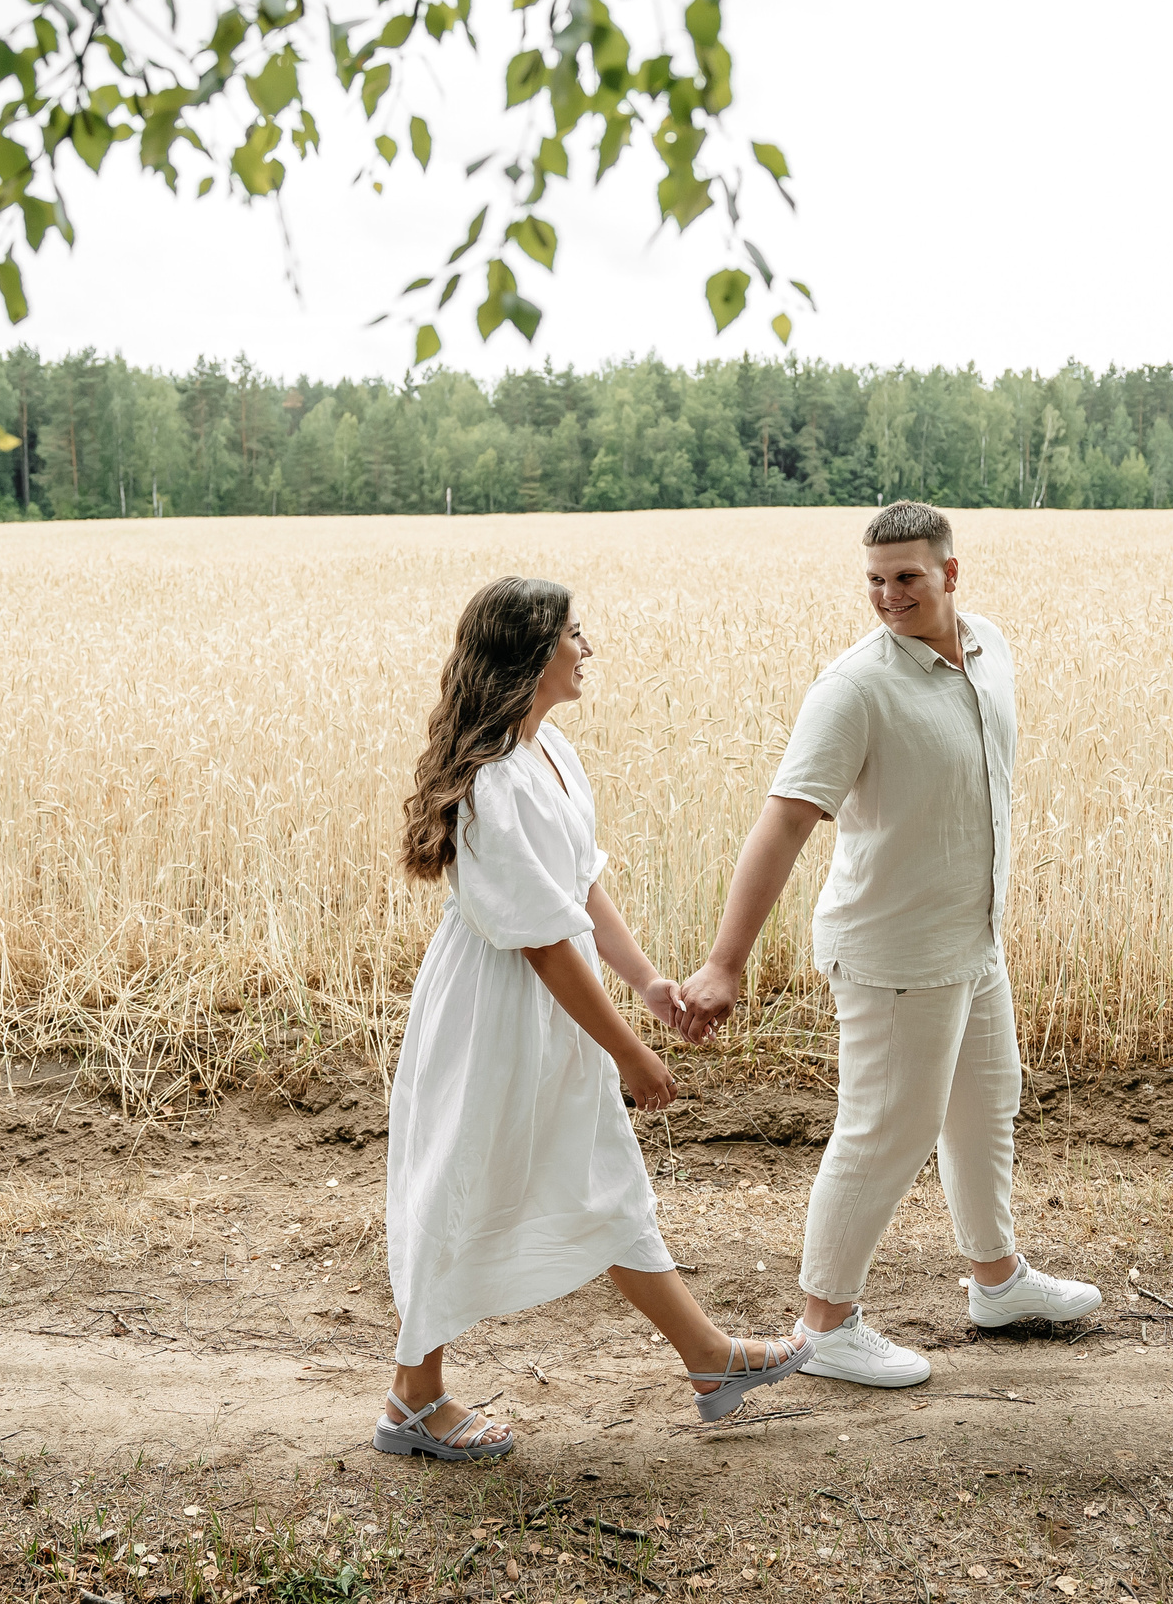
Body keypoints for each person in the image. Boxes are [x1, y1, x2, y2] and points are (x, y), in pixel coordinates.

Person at [379, 576, 808, 1460]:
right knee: (459, 1177)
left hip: (554, 1001)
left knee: (601, 1171)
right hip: (496, 1009)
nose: (588, 647)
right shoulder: (493, 784)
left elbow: (577, 887)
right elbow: (541, 942)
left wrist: (646, 981)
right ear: (532, 652)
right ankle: (413, 1397)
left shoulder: (551, 752)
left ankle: (708, 1357)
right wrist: (628, 1053)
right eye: (574, 634)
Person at [677, 502, 1101, 1388]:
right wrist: (724, 962)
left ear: (951, 572)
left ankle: (997, 1282)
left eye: (906, 576)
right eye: (874, 579)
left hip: (972, 937)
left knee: (986, 1102)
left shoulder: (988, 647)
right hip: (894, 951)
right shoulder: (855, 688)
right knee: (885, 1130)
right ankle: (824, 1325)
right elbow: (784, 822)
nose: (887, 595)